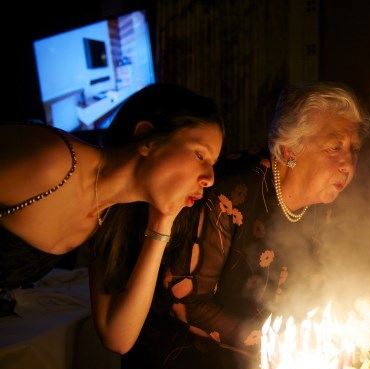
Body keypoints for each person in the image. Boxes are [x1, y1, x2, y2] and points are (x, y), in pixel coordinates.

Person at [92, 81, 370, 369]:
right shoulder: (226, 193)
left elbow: (316, 277)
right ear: (288, 150)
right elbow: (188, 303)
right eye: (335, 147)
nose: (348, 163)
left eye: (354, 149)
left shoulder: (323, 203)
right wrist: (279, 346)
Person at [0, 83, 224, 349]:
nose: (210, 178)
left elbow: (118, 337)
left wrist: (162, 222)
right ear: (147, 139)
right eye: (200, 155)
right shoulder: (52, 162)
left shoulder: (109, 217)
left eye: (212, 164)